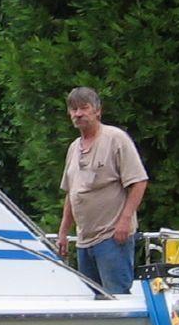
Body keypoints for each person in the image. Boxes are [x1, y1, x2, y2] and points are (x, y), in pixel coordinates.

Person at [54, 86, 148, 296]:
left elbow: (139, 181)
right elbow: (72, 193)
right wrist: (62, 233)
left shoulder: (116, 139)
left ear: (97, 111)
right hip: (84, 241)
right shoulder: (73, 148)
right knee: (91, 302)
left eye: (84, 108)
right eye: (74, 109)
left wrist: (125, 220)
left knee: (116, 298)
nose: (78, 114)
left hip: (112, 238)